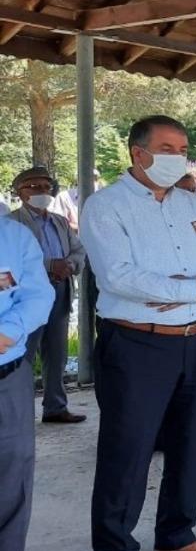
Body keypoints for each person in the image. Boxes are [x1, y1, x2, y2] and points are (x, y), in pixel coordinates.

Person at [82, 115, 196, 551]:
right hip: (136, 343)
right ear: (138, 153)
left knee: (191, 443)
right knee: (127, 451)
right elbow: (119, 277)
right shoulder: (105, 206)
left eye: (183, 148)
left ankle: (175, 537)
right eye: (168, 148)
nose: (178, 156)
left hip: (194, 340)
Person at [0, 216, 55, 551]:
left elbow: (38, 295)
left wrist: (7, 332)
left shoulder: (13, 236)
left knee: (11, 482)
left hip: (7, 375)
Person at [9, 166, 87, 423]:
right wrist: (49, 265)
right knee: (24, 353)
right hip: (26, 298)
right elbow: (12, 261)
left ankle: (55, 407)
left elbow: (78, 251)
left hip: (59, 291)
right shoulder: (11, 223)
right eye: (35, 187)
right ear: (20, 192)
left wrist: (69, 266)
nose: (43, 192)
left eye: (46, 187)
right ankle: (19, 413)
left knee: (57, 352)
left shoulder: (60, 221)